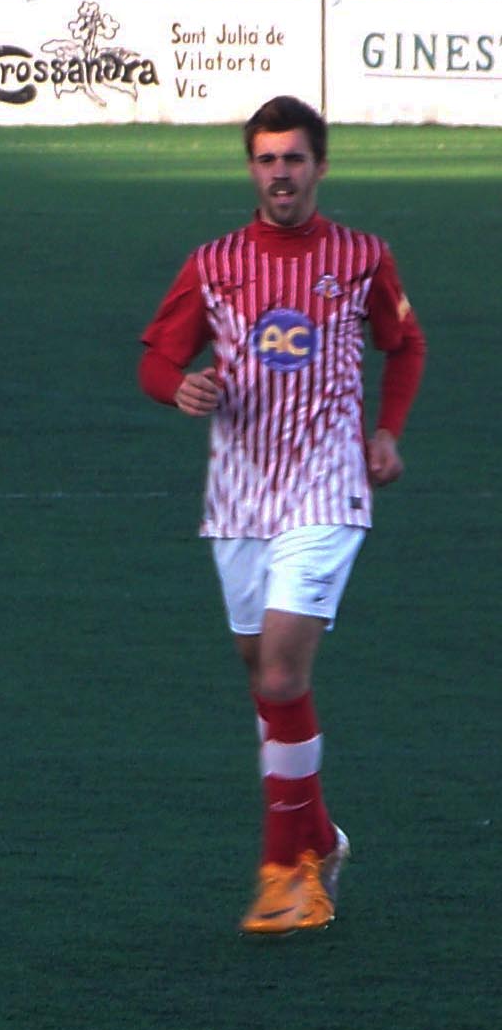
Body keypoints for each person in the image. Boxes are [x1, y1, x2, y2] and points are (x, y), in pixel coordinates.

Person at [138, 95, 425, 934]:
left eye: (294, 158)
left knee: (280, 677)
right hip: (238, 494)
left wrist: (387, 432)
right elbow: (159, 356)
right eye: (266, 159)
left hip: (327, 490)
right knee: (262, 678)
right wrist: (178, 385)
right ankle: (322, 835)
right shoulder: (215, 261)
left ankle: (285, 873)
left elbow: (402, 345)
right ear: (251, 168)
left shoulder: (364, 258)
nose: (280, 173)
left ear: (321, 166)